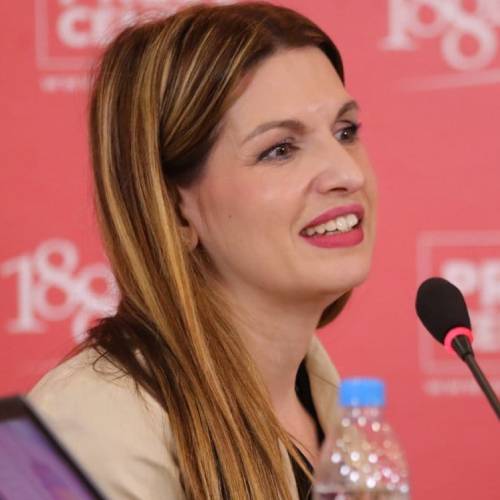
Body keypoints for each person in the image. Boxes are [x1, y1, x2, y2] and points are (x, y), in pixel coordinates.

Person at [28, 1, 377, 499]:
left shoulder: (324, 401)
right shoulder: (82, 428)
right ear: (174, 207)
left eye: (346, 132)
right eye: (280, 149)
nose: (348, 173)